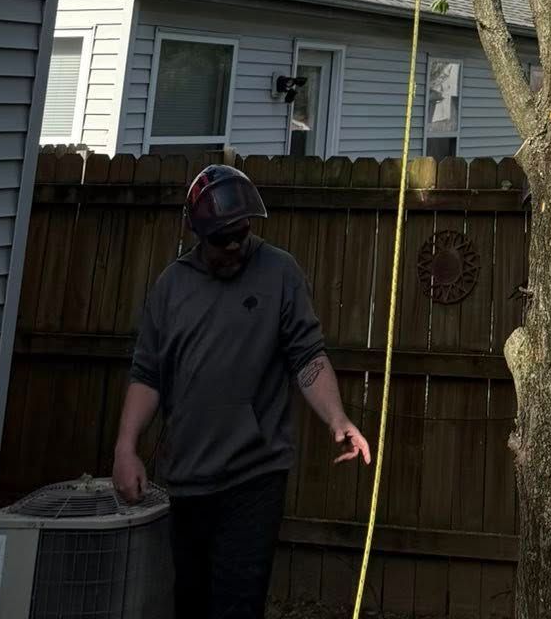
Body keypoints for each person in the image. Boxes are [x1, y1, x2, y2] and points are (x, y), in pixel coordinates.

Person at [112, 163, 370, 619]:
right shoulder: (172, 287)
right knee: (190, 603)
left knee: (237, 605)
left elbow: (307, 357)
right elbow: (147, 374)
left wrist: (337, 418)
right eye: (222, 238)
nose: (234, 246)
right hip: (187, 478)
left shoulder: (279, 272)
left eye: (242, 232)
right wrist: (126, 447)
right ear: (197, 232)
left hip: (254, 476)